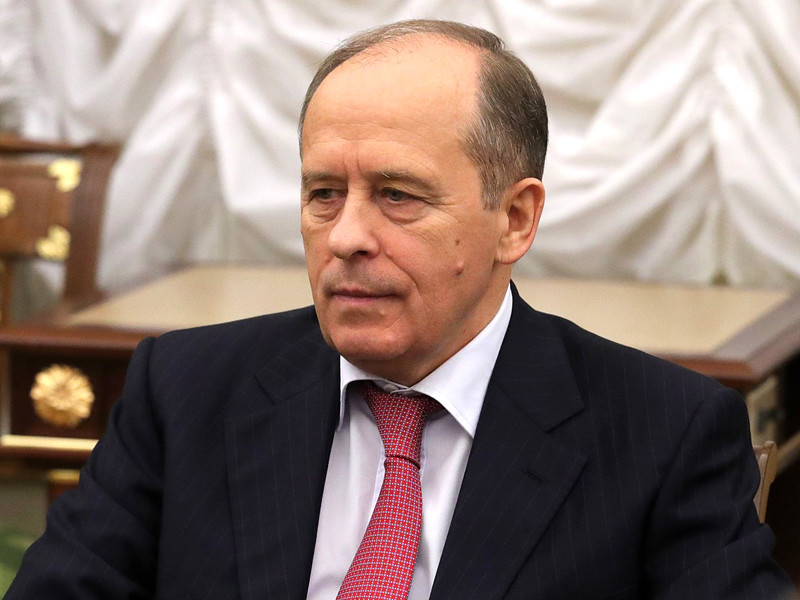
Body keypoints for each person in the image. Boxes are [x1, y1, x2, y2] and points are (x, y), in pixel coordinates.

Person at [5, 19, 796, 600]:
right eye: (324, 193)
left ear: (515, 219)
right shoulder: (185, 391)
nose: (347, 236)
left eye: (397, 195)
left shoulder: (662, 433)